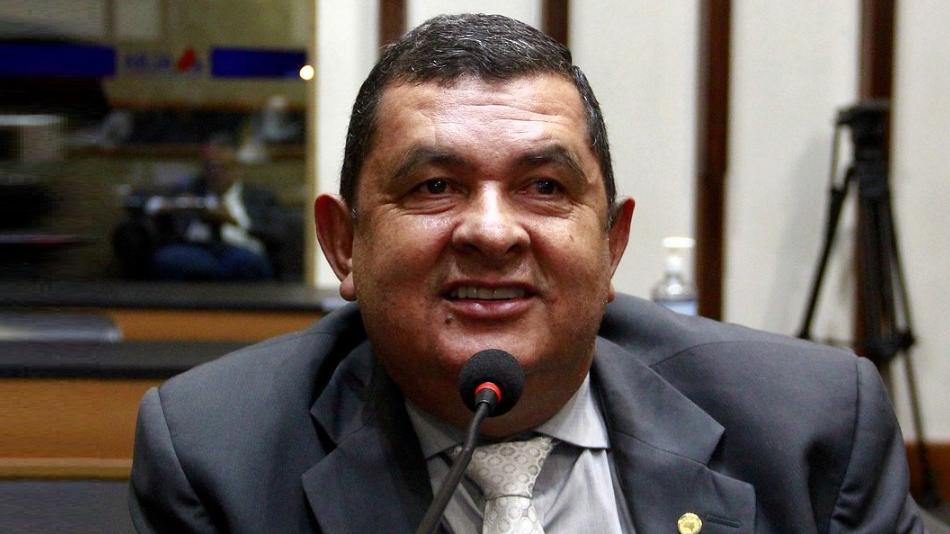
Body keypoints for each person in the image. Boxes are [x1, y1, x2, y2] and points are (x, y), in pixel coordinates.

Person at [128, 14, 923, 533]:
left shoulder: (809, 428)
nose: (492, 231)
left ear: (612, 244)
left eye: (544, 187)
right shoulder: (217, 456)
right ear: (344, 244)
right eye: (433, 187)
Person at [134, 137, 278, 281]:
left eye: (223, 167)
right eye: (210, 167)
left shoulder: (259, 197)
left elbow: (276, 233)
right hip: (196, 248)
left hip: (240, 248)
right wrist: (171, 205)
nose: (216, 173)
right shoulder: (191, 190)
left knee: (246, 262)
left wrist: (234, 221)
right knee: (169, 260)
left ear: (237, 169)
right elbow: (142, 200)